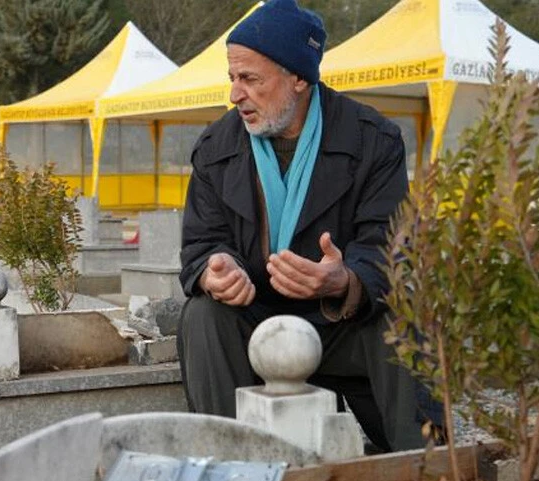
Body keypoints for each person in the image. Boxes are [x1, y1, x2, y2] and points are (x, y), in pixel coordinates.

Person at [176, 0, 439, 453]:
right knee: (202, 314)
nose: (236, 94)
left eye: (251, 79)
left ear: (298, 78)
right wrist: (215, 268)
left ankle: (425, 471)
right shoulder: (215, 146)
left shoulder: (372, 139)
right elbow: (202, 243)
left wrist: (345, 280)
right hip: (255, 321)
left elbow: (390, 248)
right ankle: (226, 465)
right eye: (233, 79)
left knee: (397, 314)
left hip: (340, 324)